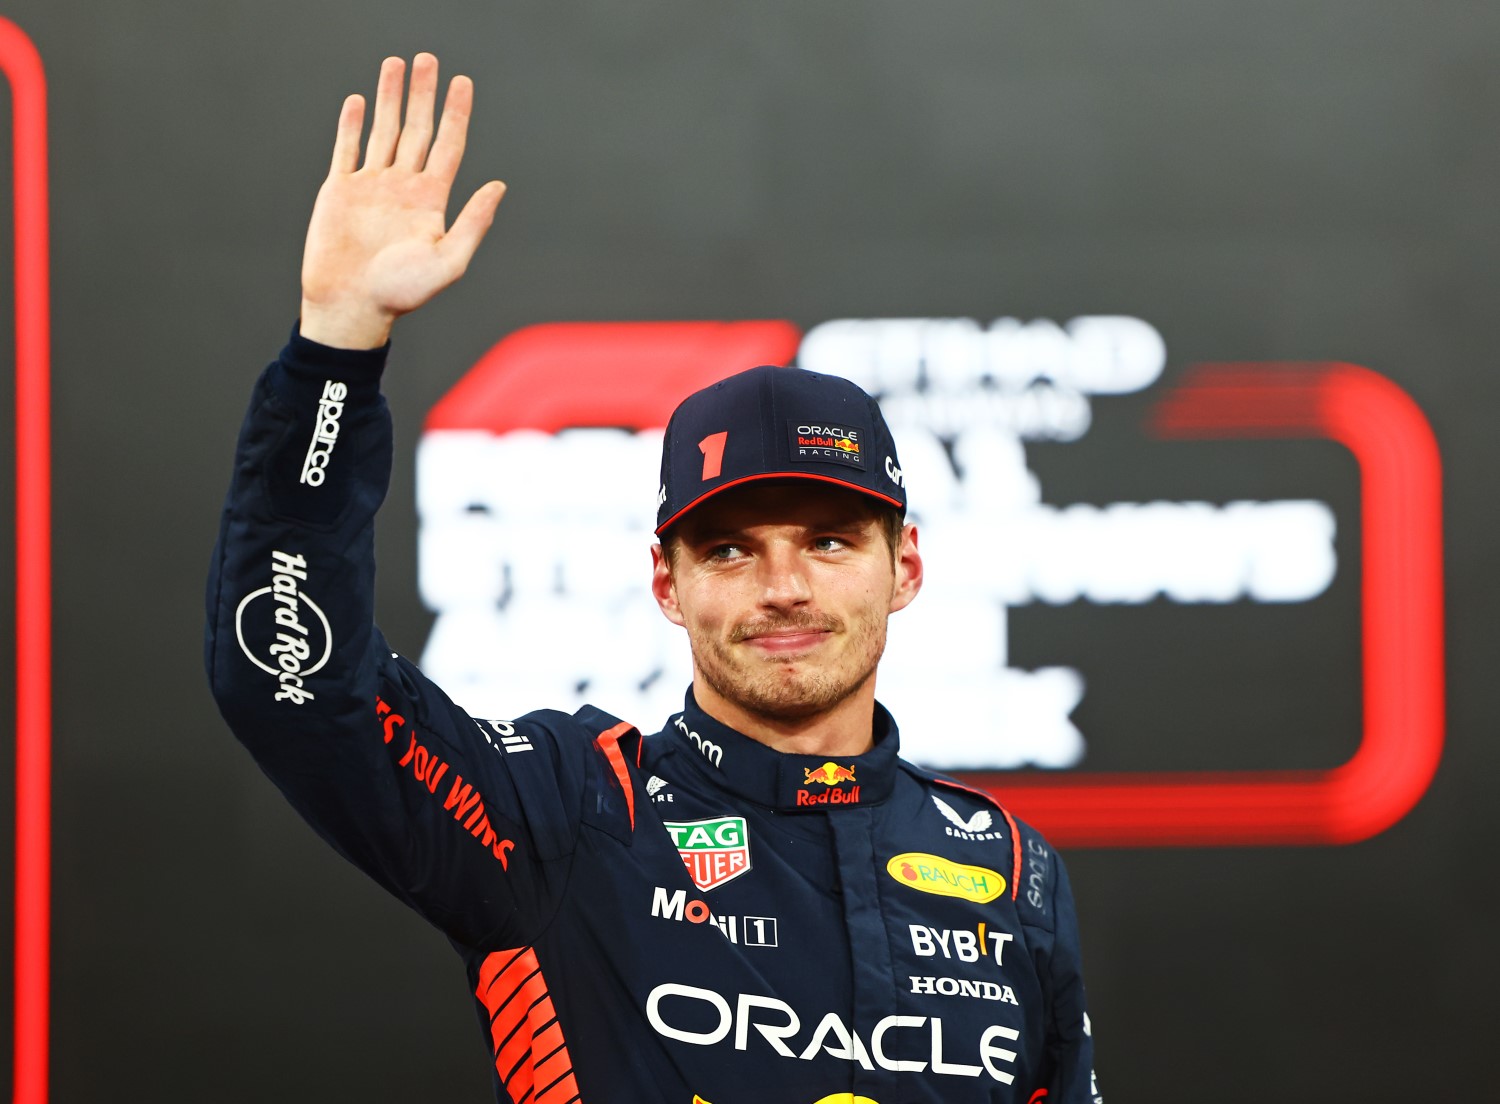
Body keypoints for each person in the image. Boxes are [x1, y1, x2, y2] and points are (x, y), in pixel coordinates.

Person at [205, 52, 1102, 1104]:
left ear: (903, 569)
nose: (784, 587)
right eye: (729, 549)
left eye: (826, 541)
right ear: (666, 586)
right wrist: (336, 351)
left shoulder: (1011, 873)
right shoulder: (569, 812)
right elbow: (288, 678)